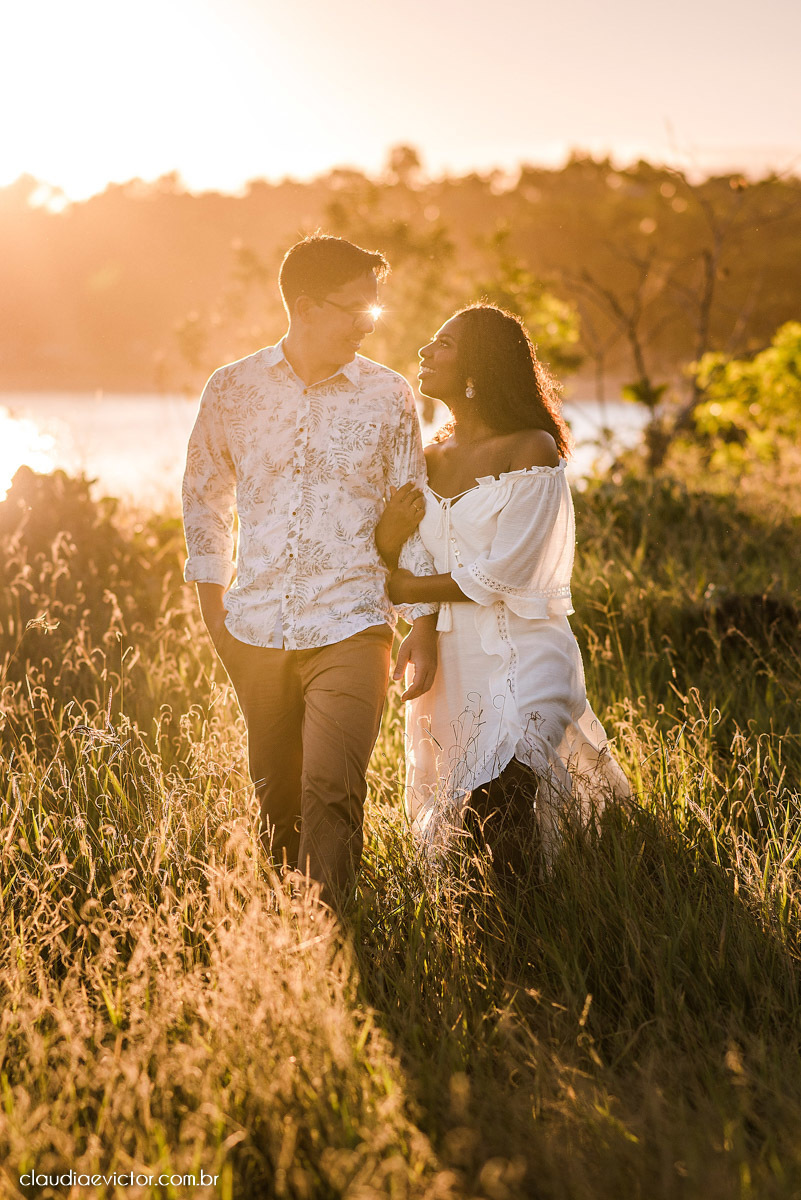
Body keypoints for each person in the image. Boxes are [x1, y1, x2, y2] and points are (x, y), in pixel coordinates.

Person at [182, 233, 438, 908]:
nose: (367, 323)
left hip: (353, 624)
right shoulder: (231, 388)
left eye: (372, 311)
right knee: (275, 794)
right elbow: (204, 495)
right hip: (254, 627)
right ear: (304, 304)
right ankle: (283, 942)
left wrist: (421, 623)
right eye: (355, 308)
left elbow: (412, 515)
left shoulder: (389, 397)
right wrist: (216, 616)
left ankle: (332, 936)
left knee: (332, 788)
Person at [377, 303, 629, 869]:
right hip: (453, 659)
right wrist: (410, 597)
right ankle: (506, 926)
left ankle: (533, 927)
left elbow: (506, 572)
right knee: (466, 819)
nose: (424, 351)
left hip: (530, 648)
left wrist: (405, 584)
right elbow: (409, 545)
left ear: (478, 367)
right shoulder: (427, 458)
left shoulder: (531, 448)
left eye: (442, 343)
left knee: (506, 790)